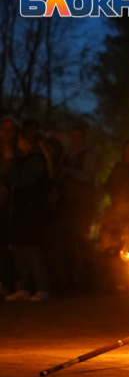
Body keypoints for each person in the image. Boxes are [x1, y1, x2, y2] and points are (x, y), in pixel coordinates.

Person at [5, 128, 51, 301]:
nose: (17, 144)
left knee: (32, 249)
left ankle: (42, 288)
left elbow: (21, 181)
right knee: (17, 247)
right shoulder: (23, 159)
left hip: (32, 211)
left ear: (25, 141)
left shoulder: (36, 160)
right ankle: (25, 287)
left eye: (19, 140)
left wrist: (9, 160)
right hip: (20, 211)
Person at [56, 125, 99, 288]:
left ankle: (88, 280)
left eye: (77, 137)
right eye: (72, 136)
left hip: (82, 205)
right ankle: (72, 278)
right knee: (68, 242)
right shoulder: (65, 156)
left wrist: (70, 172)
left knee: (83, 242)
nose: (74, 140)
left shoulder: (88, 155)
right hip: (67, 205)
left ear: (83, 139)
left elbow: (89, 177)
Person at [0, 118, 18, 294]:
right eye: (3, 129)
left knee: (6, 244)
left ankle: (7, 283)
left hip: (9, 206)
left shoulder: (17, 151)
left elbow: (14, 176)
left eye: (10, 130)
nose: (6, 133)